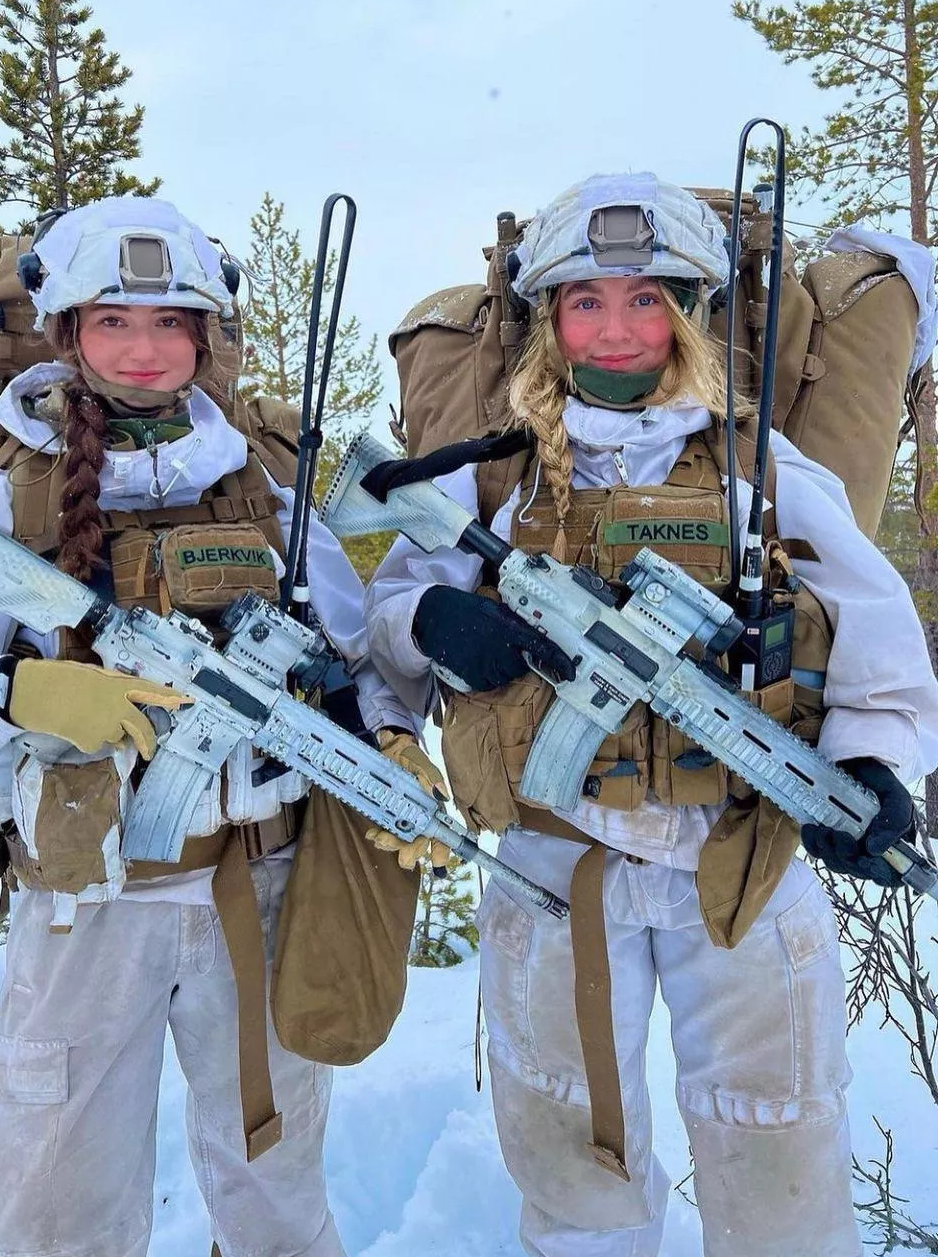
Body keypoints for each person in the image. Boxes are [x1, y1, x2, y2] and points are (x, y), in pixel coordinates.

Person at [362, 173, 938, 1256]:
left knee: (777, 1143)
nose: (617, 328)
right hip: (552, 859)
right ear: (550, 322)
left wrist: (870, 764)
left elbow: (872, 620)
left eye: (645, 301)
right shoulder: (497, 481)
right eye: (586, 302)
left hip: (743, 850)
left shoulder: (755, 465)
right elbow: (386, 608)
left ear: (689, 315)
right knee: (564, 1140)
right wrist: (435, 620)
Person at [0, 195, 440, 1257]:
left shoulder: (266, 489)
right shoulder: (2, 506)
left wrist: (389, 743)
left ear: (205, 337)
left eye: (170, 322)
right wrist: (12, 693)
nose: (142, 349)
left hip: (262, 898)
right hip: (86, 911)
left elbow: (360, 663)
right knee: (57, 1216)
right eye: (113, 321)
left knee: (276, 1204)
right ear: (70, 332)